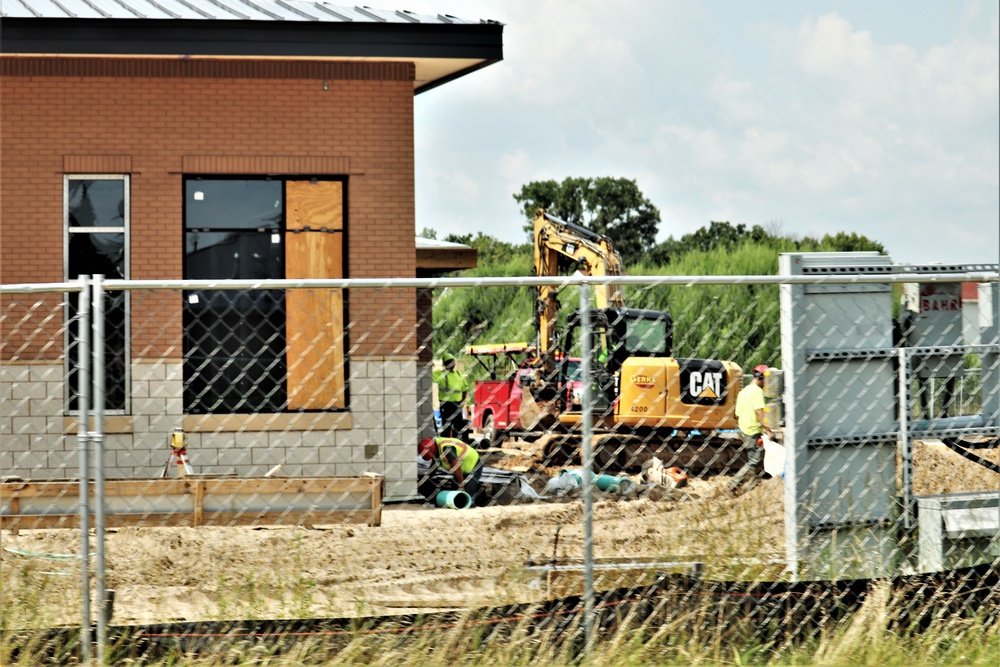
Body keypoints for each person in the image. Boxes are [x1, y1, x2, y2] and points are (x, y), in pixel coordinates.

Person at [728, 364, 774, 495]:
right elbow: (759, 412)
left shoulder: (744, 391)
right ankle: (733, 485)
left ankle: (751, 489)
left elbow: (737, 413)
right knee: (754, 461)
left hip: (743, 429)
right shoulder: (757, 392)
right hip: (752, 431)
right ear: (763, 378)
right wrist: (768, 430)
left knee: (758, 460)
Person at [418, 436, 484, 506]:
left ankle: (471, 505)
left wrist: (461, 487)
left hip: (474, 464)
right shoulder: (435, 448)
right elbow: (434, 466)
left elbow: (457, 468)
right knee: (455, 492)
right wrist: (426, 479)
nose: (433, 456)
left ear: (433, 450)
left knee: (469, 492)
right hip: (462, 468)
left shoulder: (446, 448)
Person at [433, 352, 471, 442]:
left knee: (458, 426)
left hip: (457, 405)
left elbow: (465, 388)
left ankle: (458, 444)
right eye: (449, 362)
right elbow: (428, 375)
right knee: (446, 427)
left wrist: (463, 401)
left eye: (452, 361)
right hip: (446, 405)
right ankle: (445, 444)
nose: (452, 364)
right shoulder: (440, 374)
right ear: (445, 364)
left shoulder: (458, 375)